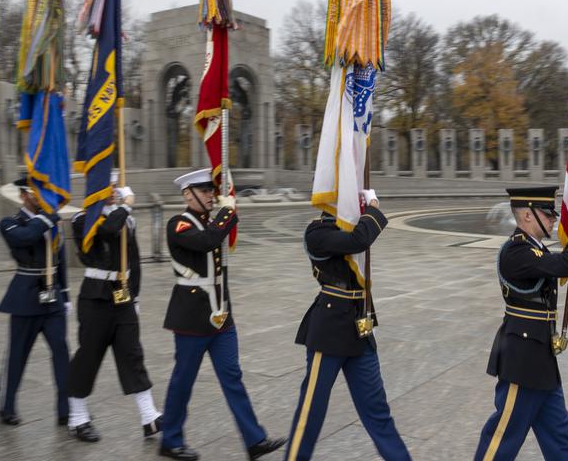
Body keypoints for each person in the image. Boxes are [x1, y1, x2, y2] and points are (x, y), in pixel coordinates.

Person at [159, 168, 284, 461]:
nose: (211, 197)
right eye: (204, 192)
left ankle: (255, 440)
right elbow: (207, 241)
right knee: (183, 380)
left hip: (220, 313)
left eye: (212, 192)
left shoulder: (208, 221)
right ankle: (171, 439)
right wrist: (227, 213)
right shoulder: (178, 224)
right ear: (188, 194)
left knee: (232, 377)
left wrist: (226, 211)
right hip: (191, 316)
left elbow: (216, 234)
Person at [474, 186, 568, 461]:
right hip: (522, 360)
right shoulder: (517, 251)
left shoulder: (534, 249)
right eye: (547, 214)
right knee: (502, 439)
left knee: (561, 442)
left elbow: (564, 262)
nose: (553, 219)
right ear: (527, 216)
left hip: (539, 358)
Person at [285, 189, 411, 461]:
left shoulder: (348, 227)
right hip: (329, 329)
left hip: (359, 326)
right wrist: (374, 209)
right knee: (312, 410)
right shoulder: (317, 232)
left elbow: (358, 237)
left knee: (377, 409)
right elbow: (359, 240)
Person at [66, 174, 161, 442]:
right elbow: (106, 231)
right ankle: (77, 417)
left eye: (116, 185)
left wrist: (136, 296)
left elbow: (134, 261)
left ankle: (149, 416)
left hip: (123, 295)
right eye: (108, 185)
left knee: (132, 354)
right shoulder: (82, 219)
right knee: (89, 356)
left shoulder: (125, 219)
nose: (114, 190)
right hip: (95, 297)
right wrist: (126, 205)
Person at [0, 177, 70, 426]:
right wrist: (48, 218)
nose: (40, 197)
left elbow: (60, 260)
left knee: (61, 351)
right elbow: (24, 238)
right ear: (23, 196)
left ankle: (65, 408)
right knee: (18, 354)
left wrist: (66, 295)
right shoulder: (10, 223)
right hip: (25, 297)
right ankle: (7, 406)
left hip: (52, 299)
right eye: (35, 192)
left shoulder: (50, 224)